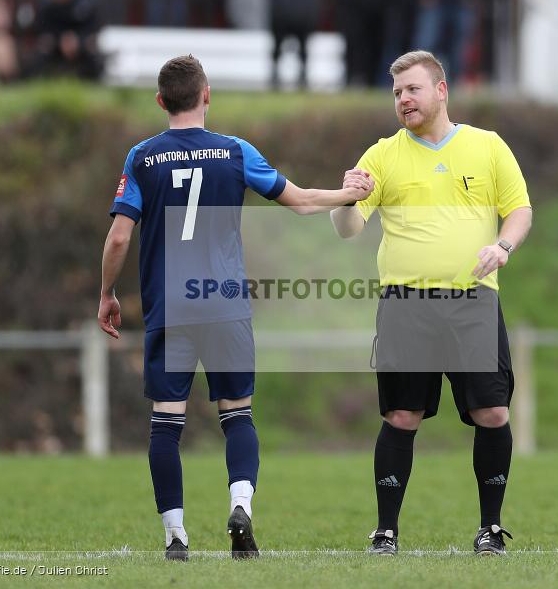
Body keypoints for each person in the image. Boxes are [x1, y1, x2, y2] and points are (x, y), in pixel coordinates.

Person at [98, 54, 373, 561]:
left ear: (161, 101)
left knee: (166, 421)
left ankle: (176, 536)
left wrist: (107, 294)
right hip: (223, 303)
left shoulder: (141, 156)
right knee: (238, 414)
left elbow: (119, 237)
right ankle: (241, 505)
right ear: (207, 95)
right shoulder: (234, 151)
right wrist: (348, 193)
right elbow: (301, 201)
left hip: (170, 307)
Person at [330, 50, 532, 556]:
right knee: (401, 416)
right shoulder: (381, 156)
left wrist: (502, 247)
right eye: (397, 92)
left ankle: (490, 529)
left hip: (472, 303)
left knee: (492, 413)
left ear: (441, 91)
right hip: (406, 305)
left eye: (413, 89)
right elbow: (349, 229)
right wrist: (345, 199)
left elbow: (520, 211)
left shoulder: (487, 147)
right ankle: (386, 533)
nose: (403, 100)